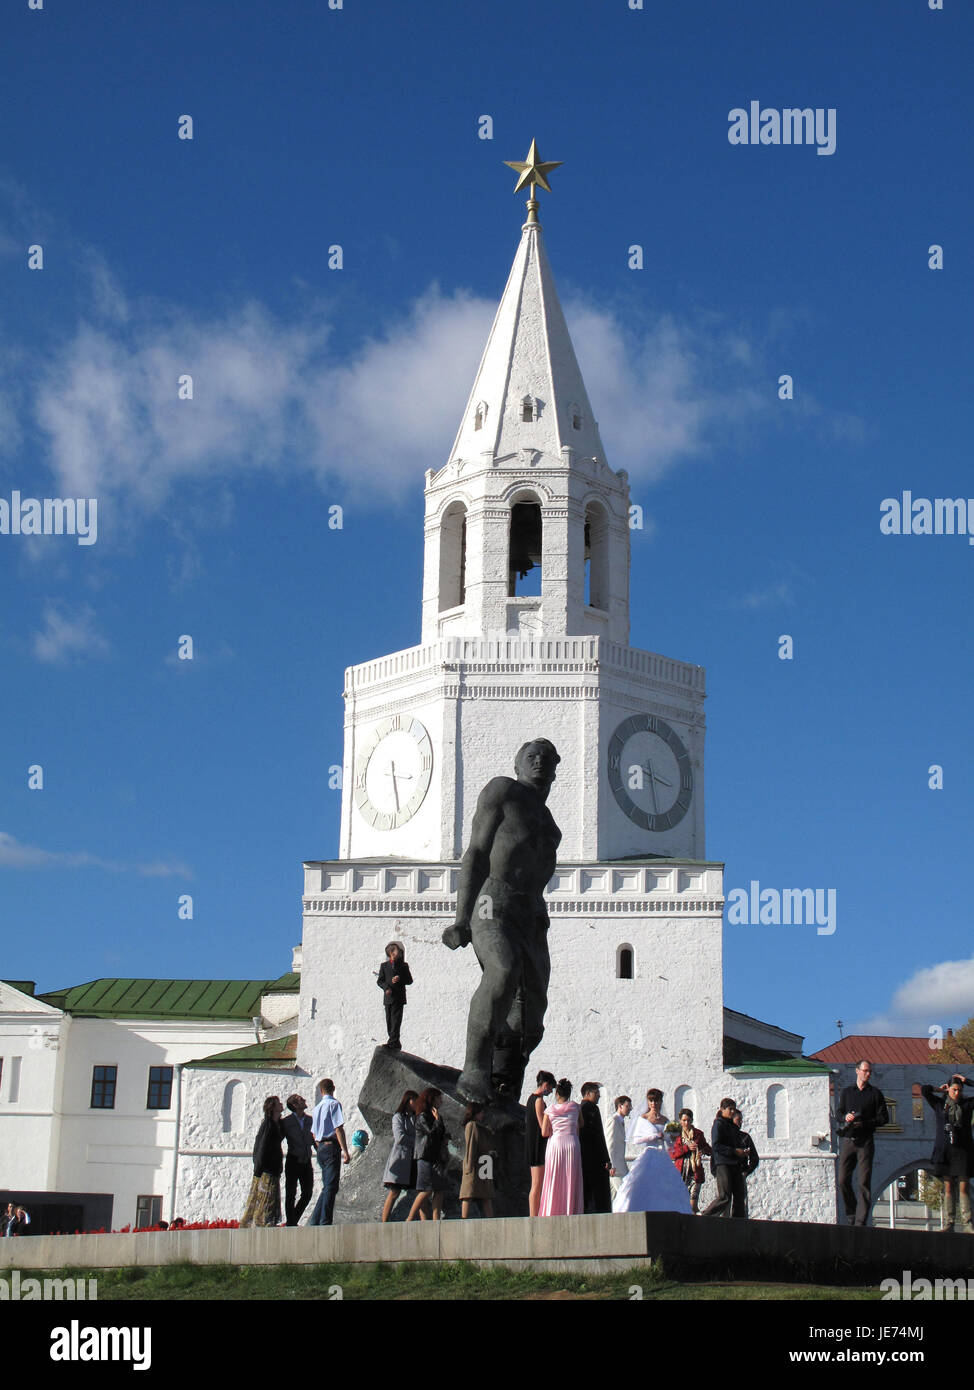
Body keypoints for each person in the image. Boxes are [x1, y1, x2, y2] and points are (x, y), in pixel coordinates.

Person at [442, 740, 562, 1102]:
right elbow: (477, 851)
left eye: (546, 757)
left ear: (556, 768)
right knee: (503, 971)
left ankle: (505, 1085)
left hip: (531, 916)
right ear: (518, 764)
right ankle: (474, 1071)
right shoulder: (503, 791)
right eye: (531, 756)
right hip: (492, 902)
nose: (539, 761)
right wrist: (461, 918)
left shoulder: (550, 825)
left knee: (532, 1013)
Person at [613, 1088, 691, 1214]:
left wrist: (672, 1137)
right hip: (649, 1153)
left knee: (665, 1185)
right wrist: (654, 1136)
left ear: (661, 1102)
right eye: (651, 1101)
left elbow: (670, 1143)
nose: (654, 1104)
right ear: (648, 1102)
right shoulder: (643, 1118)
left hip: (662, 1154)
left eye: (656, 1101)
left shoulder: (665, 1120)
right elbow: (637, 1140)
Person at [836, 1060, 889, 1226]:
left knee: (863, 1182)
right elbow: (839, 1113)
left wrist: (865, 1123)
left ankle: (860, 1221)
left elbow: (883, 1118)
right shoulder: (847, 1092)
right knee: (843, 1179)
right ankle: (851, 1213)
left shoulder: (875, 1094)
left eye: (869, 1071)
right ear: (857, 1071)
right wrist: (846, 1117)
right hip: (848, 1140)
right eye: (865, 1071)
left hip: (865, 1141)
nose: (868, 1074)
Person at [921, 1074, 974, 1234]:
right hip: (945, 1150)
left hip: (963, 1149)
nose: (956, 1093)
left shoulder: (967, 1104)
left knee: (963, 1187)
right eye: (953, 1090)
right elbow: (924, 1090)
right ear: (948, 1089)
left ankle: (967, 1223)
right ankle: (949, 1222)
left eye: (959, 1090)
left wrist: (967, 1081)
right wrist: (939, 1089)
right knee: (948, 1186)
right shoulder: (940, 1104)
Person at [538, 1078, 584, 1216]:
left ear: (557, 1094)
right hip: (571, 1143)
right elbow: (581, 1124)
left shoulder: (550, 1110)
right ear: (569, 1093)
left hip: (556, 1144)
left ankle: (552, 1209)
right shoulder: (576, 1107)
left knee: (554, 1176)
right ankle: (570, 1209)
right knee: (571, 1177)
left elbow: (545, 1132)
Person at [309, 1078, 351, 1226]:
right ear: (333, 1088)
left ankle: (315, 1220)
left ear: (321, 1091)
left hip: (321, 1147)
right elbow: (338, 1128)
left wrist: (319, 1147)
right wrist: (345, 1151)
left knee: (328, 1185)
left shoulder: (317, 1108)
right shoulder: (334, 1104)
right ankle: (325, 1221)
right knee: (331, 1186)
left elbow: (314, 1133)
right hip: (331, 1146)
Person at [240, 1095, 285, 1228]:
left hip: (272, 1169)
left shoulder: (276, 1124)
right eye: (278, 1103)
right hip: (267, 1170)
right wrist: (258, 1169)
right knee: (264, 1200)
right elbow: (261, 1147)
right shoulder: (268, 1125)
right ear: (273, 1107)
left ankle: (265, 1223)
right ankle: (261, 1224)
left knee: (270, 1200)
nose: (281, 1104)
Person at [701, 1098, 748, 1218]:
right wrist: (733, 1151)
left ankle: (739, 1222)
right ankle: (707, 1216)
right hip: (723, 1163)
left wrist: (742, 1152)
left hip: (735, 1164)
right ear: (722, 1109)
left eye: (734, 1109)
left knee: (739, 1195)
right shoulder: (718, 1124)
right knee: (725, 1196)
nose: (732, 1112)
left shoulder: (732, 1126)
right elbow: (716, 1146)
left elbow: (737, 1143)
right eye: (730, 1109)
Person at [407, 1087, 449, 1221]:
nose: (441, 1101)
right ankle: (410, 1217)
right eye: (439, 1098)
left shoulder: (433, 1115)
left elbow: (439, 1133)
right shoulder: (423, 1116)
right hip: (425, 1156)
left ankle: (436, 1220)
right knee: (426, 1189)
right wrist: (437, 1121)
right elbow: (431, 1133)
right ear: (432, 1099)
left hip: (435, 1157)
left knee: (439, 1188)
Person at [381, 1090, 419, 1222]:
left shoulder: (414, 1117)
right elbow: (400, 1137)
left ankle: (426, 1222)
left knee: (420, 1192)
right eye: (415, 1101)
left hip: (412, 1160)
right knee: (394, 1192)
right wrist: (417, 1141)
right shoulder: (398, 1117)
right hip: (400, 1159)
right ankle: (384, 1222)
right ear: (409, 1101)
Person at [281, 1093, 315, 1227]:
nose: (304, 1100)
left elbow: (314, 1139)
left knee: (307, 1193)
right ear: (295, 1105)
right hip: (293, 1159)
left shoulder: (310, 1120)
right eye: (301, 1100)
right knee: (291, 1193)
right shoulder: (287, 1122)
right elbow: (278, 1139)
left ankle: (292, 1220)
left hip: (306, 1160)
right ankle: (291, 1223)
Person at [669, 1107, 712, 1214]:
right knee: (681, 1203)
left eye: (688, 1120)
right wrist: (687, 1148)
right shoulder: (676, 1135)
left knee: (693, 1204)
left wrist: (702, 1150)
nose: (686, 1123)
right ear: (680, 1121)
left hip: (695, 1172)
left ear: (692, 1120)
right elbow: (672, 1154)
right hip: (681, 1172)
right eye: (684, 1120)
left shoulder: (698, 1134)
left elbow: (708, 1149)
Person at [525, 1070, 556, 1216]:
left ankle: (535, 1214)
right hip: (538, 1146)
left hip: (532, 1144)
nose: (550, 1091)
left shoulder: (530, 1098)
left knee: (536, 1184)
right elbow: (542, 1125)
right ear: (545, 1085)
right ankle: (534, 1215)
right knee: (537, 1184)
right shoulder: (539, 1101)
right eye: (550, 1088)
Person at [579, 1082, 612, 1213]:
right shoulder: (592, 1108)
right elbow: (598, 1135)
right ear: (588, 1093)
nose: (598, 1096)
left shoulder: (579, 1108)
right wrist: (606, 1158)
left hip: (582, 1154)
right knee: (598, 1191)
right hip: (595, 1156)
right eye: (596, 1093)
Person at [459, 1101, 495, 1218]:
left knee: (486, 1194)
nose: (483, 1114)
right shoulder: (472, 1125)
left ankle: (491, 1218)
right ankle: (464, 1218)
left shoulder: (480, 1126)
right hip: (476, 1162)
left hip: (485, 1161)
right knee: (468, 1192)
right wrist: (469, 1165)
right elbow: (471, 1145)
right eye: (481, 1112)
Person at [377, 941, 413, 1051]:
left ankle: (393, 1042)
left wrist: (400, 978)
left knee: (396, 1020)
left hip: (398, 998)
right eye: (397, 951)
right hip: (388, 998)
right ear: (391, 953)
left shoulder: (403, 966)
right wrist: (386, 988)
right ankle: (393, 1041)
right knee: (389, 1020)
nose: (400, 953)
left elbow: (409, 980)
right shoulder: (384, 966)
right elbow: (380, 981)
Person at [732, 1109, 760, 1216]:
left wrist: (746, 1172)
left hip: (740, 1173)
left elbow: (754, 1158)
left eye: (741, 1120)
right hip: (727, 1173)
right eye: (738, 1120)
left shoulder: (745, 1137)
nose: (740, 1122)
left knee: (740, 1203)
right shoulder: (725, 1137)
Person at [605, 1096, 632, 1200]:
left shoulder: (620, 1121)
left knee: (613, 1196)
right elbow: (609, 1143)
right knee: (625, 1194)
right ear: (620, 1106)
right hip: (616, 1167)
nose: (630, 1108)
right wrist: (611, 1164)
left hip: (620, 1164)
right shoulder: (613, 1120)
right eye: (627, 1106)